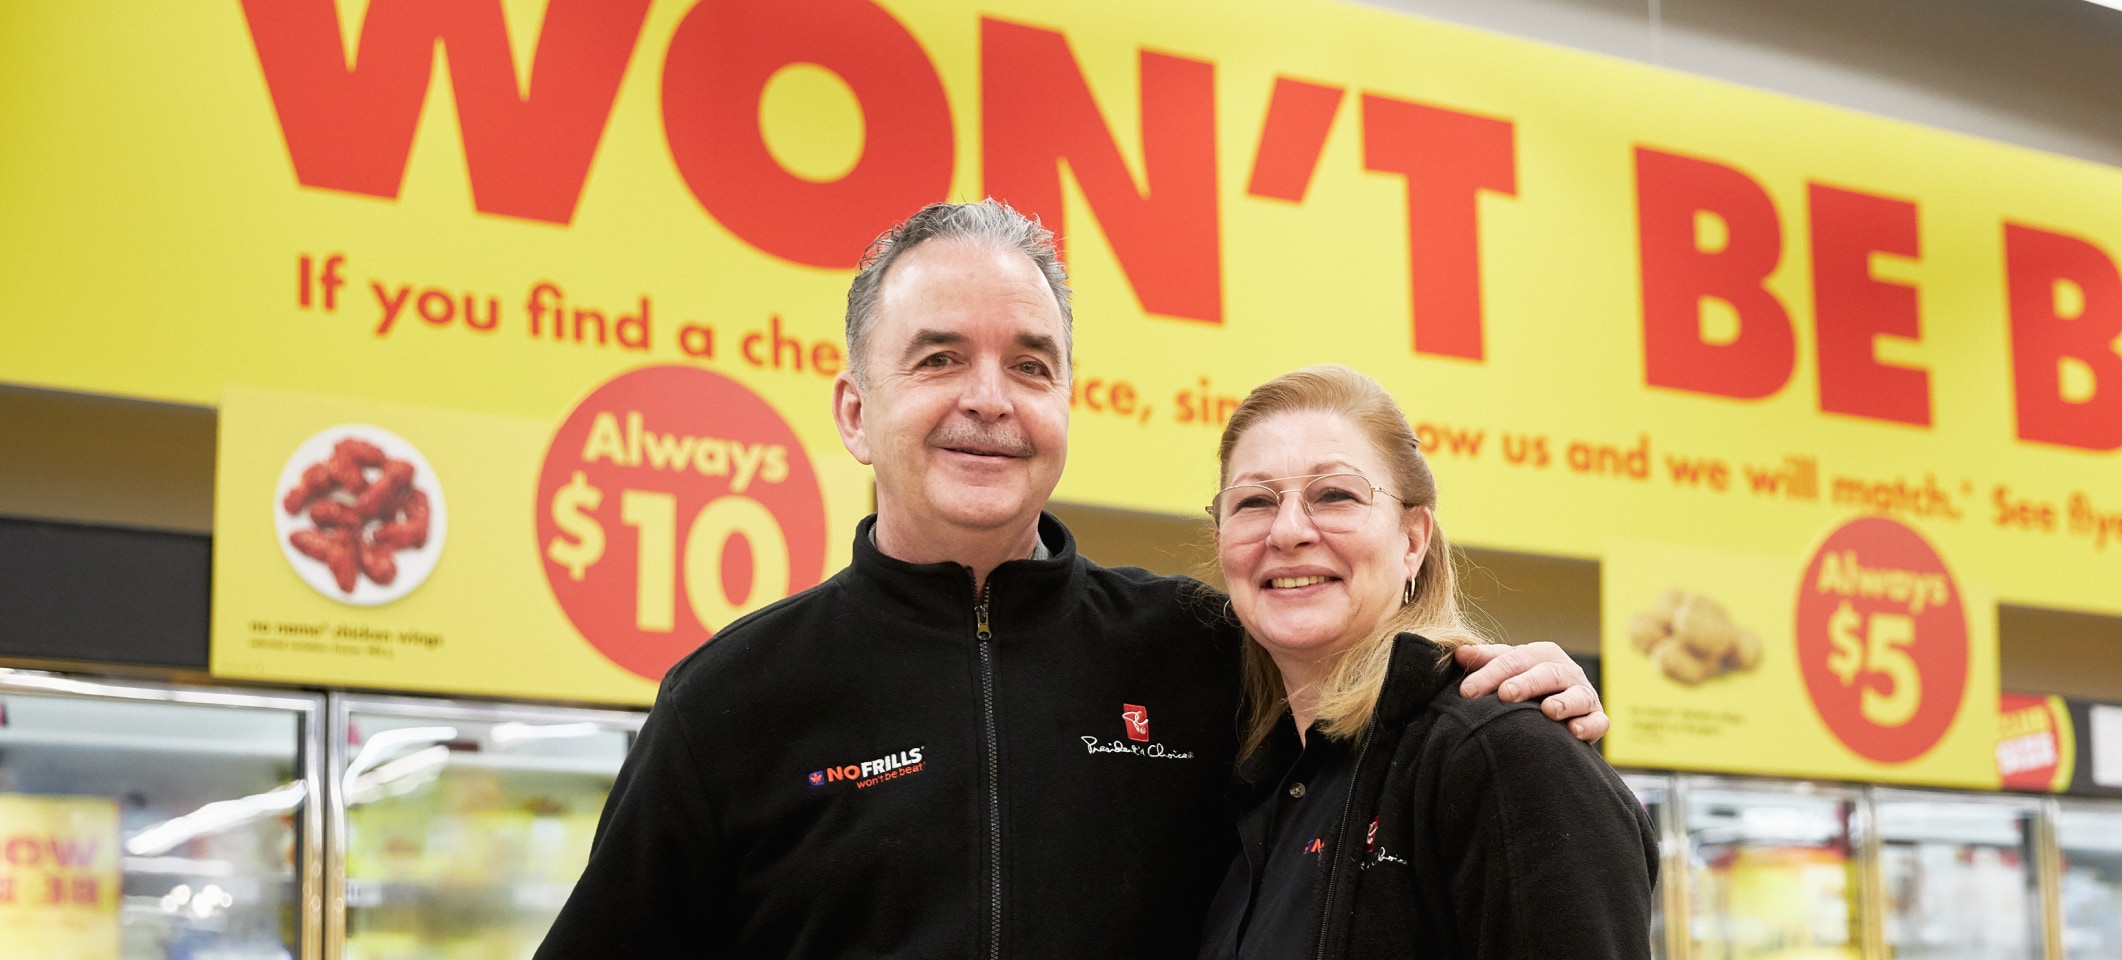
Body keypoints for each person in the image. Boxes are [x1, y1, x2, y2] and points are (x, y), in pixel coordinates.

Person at [533, 201, 1606, 958]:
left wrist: (1514, 692)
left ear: (1065, 411)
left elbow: (1382, 708)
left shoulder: (1201, 650)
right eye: (940, 357)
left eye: (1031, 365)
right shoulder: (733, 699)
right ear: (856, 412)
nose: (991, 400)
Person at [1197, 365, 1657, 960]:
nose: (1287, 531)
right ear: (1220, 542)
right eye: (1254, 502)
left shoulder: (1499, 754)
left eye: (1335, 494)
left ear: (1412, 539)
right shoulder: (1261, 783)